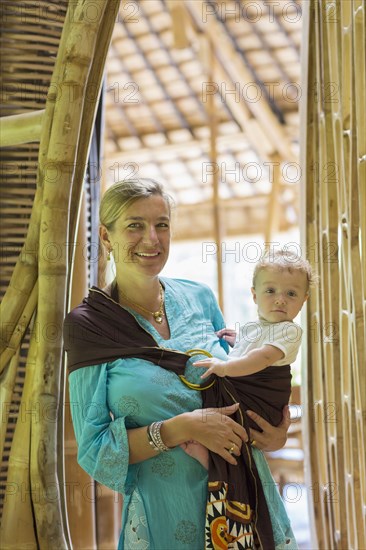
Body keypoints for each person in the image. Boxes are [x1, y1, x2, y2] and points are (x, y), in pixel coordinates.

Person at [63, 179, 296, 550]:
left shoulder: (199, 297)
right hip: (165, 515)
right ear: (106, 237)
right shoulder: (89, 326)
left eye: (162, 224)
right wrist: (180, 428)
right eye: (134, 225)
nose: (152, 239)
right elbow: (94, 449)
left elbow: (240, 385)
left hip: (246, 504)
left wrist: (274, 433)